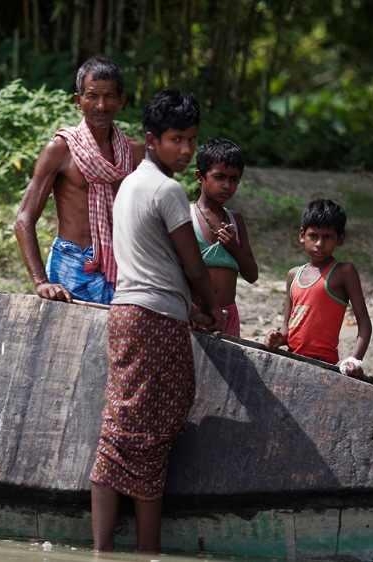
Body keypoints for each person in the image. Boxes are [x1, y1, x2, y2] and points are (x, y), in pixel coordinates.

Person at [89, 89, 225, 554]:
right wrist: (213, 308)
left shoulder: (130, 183)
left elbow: (152, 263)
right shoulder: (167, 190)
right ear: (151, 139)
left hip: (130, 312)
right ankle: (136, 550)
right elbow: (193, 268)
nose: (186, 150)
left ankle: (117, 550)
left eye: (191, 139)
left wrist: (190, 306)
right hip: (152, 320)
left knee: (129, 429)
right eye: (176, 140)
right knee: (145, 430)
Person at [14, 57, 145, 305]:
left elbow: (151, 220)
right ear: (78, 101)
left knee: (120, 342)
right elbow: (24, 219)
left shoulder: (135, 154)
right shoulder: (60, 150)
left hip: (122, 266)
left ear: (121, 101)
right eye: (92, 96)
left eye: (109, 97)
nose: (101, 105)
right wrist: (42, 282)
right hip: (70, 265)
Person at [263, 198, 372, 377]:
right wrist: (276, 338)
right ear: (302, 235)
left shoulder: (344, 272)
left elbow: (364, 323)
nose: (320, 243)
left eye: (328, 237)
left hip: (323, 365)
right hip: (291, 360)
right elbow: (287, 328)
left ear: (340, 239)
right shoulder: (293, 275)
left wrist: (355, 360)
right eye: (313, 236)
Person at [190, 138, 258, 337]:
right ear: (200, 176)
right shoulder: (186, 218)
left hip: (228, 316)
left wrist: (233, 247)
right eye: (219, 177)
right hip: (196, 315)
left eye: (234, 179)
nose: (227, 185)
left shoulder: (235, 220)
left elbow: (252, 275)